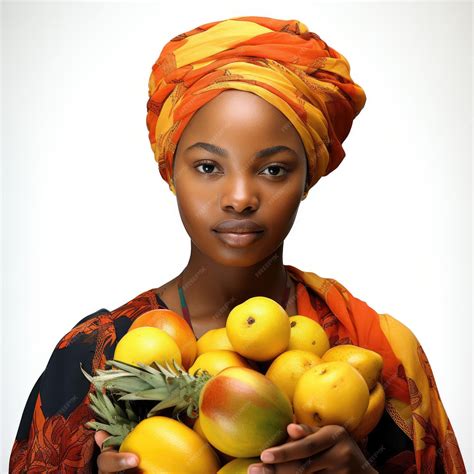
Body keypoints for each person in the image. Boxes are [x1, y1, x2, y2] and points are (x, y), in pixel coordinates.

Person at [9, 15, 466, 474]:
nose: (240, 198)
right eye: (208, 167)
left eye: (273, 170)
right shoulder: (95, 359)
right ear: (171, 172)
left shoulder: (378, 353)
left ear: (309, 178)